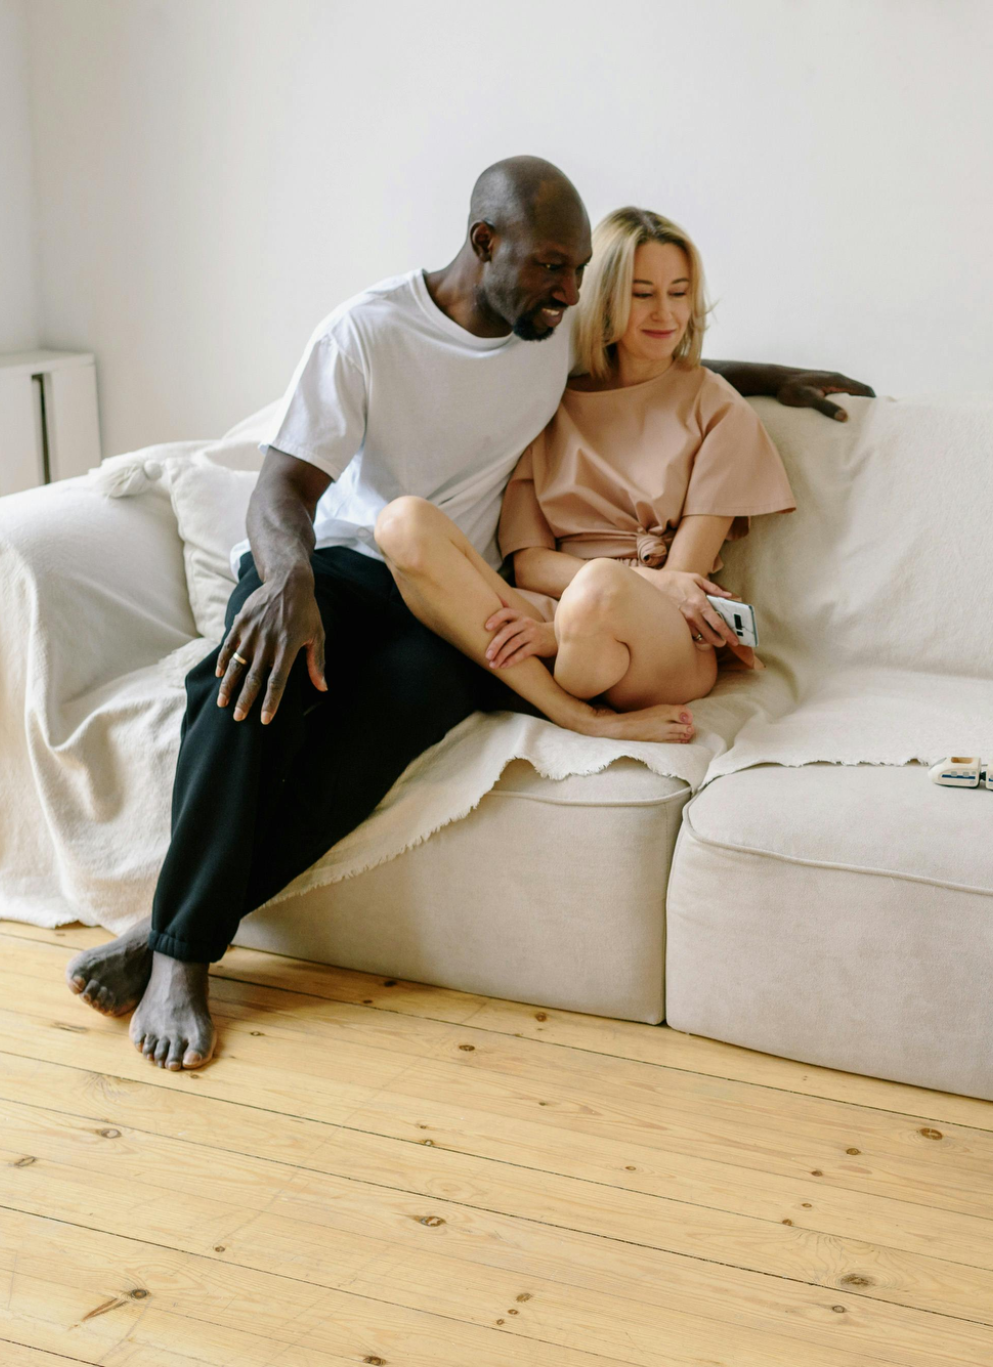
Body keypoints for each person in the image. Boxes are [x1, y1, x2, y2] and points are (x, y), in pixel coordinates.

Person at [65, 156, 870, 1071]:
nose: (571, 292)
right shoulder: (364, 333)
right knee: (251, 681)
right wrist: (285, 585)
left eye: (576, 276)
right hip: (336, 561)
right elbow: (281, 488)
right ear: (486, 245)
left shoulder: (549, 326)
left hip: (447, 596)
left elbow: (650, 361)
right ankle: (180, 954)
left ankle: (167, 928)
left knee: (371, 738)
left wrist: (776, 374)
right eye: (552, 267)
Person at [374, 206, 793, 715]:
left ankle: (561, 658)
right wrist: (562, 619)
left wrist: (559, 632)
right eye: (643, 294)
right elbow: (529, 565)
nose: (666, 313)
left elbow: (682, 580)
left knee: (602, 587)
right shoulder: (552, 401)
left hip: (661, 634)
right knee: (404, 521)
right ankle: (571, 709)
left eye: (679, 292)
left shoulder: (721, 410)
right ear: (606, 299)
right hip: (556, 609)